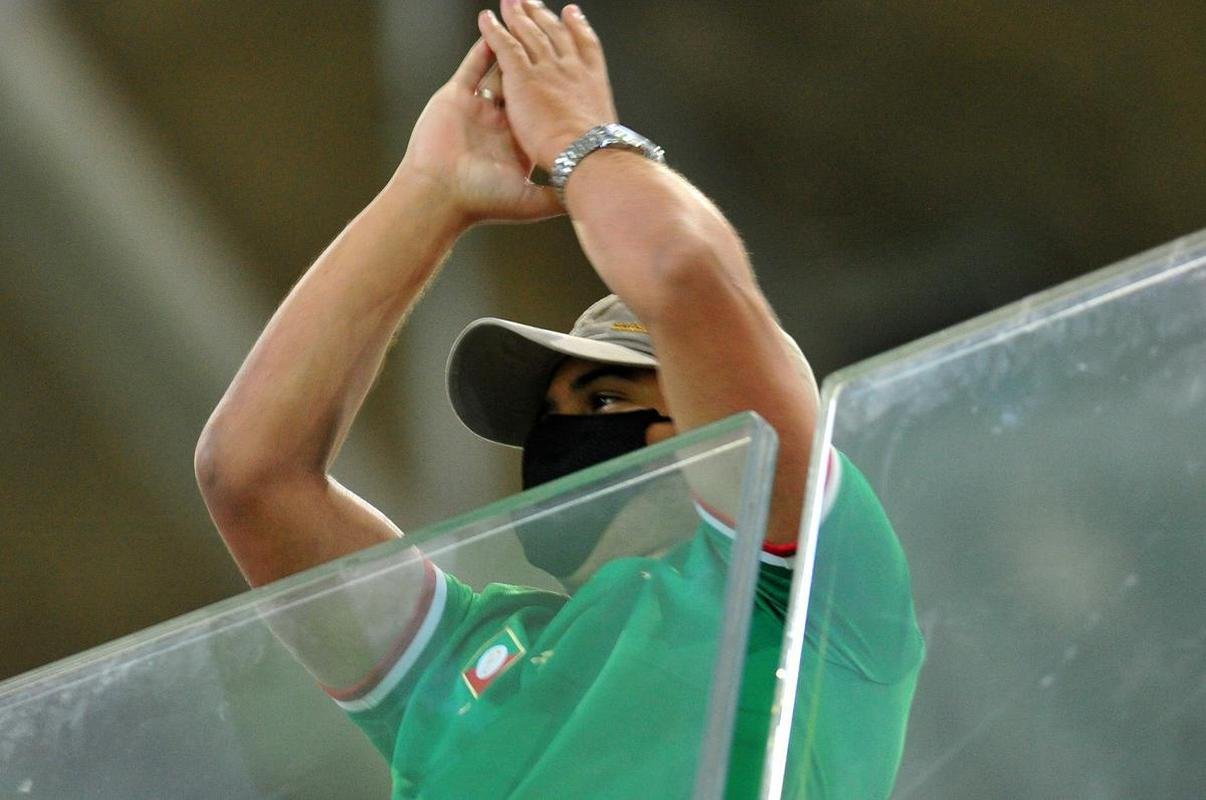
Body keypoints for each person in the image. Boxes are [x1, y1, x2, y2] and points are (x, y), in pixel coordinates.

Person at [194, 2, 923, 797]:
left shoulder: (810, 594)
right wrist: (430, 191)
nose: (563, 436)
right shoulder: (463, 661)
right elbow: (250, 474)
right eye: (548, 417)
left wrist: (582, 138)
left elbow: (682, 273)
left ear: (706, 426)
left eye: (605, 399)